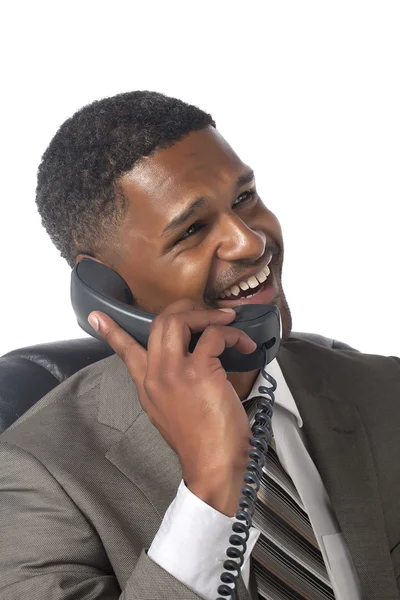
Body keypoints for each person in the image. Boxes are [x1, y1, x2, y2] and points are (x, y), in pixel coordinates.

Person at [0, 91, 399, 600]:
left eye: (244, 198)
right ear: (108, 288)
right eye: (191, 230)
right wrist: (211, 486)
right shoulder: (35, 481)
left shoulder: (388, 394)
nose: (250, 242)